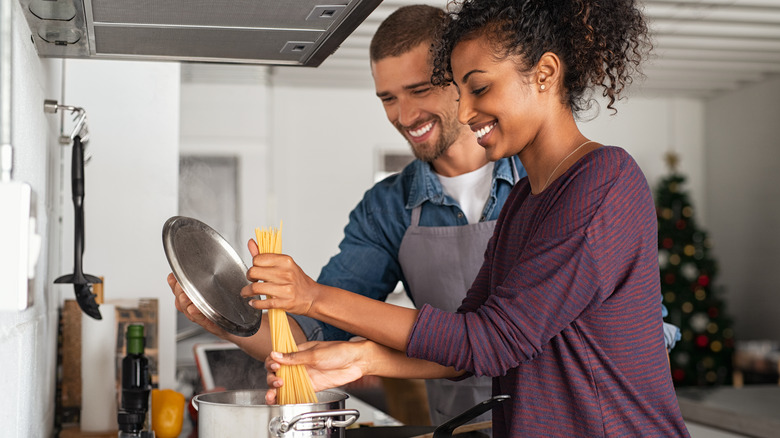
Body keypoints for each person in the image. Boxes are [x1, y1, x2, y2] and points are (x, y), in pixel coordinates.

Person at [251, 0, 690, 436]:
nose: (464, 113)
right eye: (460, 94)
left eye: (479, 89)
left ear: (545, 74)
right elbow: (465, 345)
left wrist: (314, 296)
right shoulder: (523, 201)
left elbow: (492, 342)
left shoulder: (603, 181)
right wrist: (362, 358)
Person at [169, 4, 525, 427]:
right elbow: (311, 338)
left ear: (459, 81)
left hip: (548, 418)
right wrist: (224, 319)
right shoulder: (387, 207)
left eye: (420, 89)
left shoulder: (536, 184)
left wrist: (314, 298)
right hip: (460, 424)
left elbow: (497, 338)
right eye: (388, 98)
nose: (404, 116)